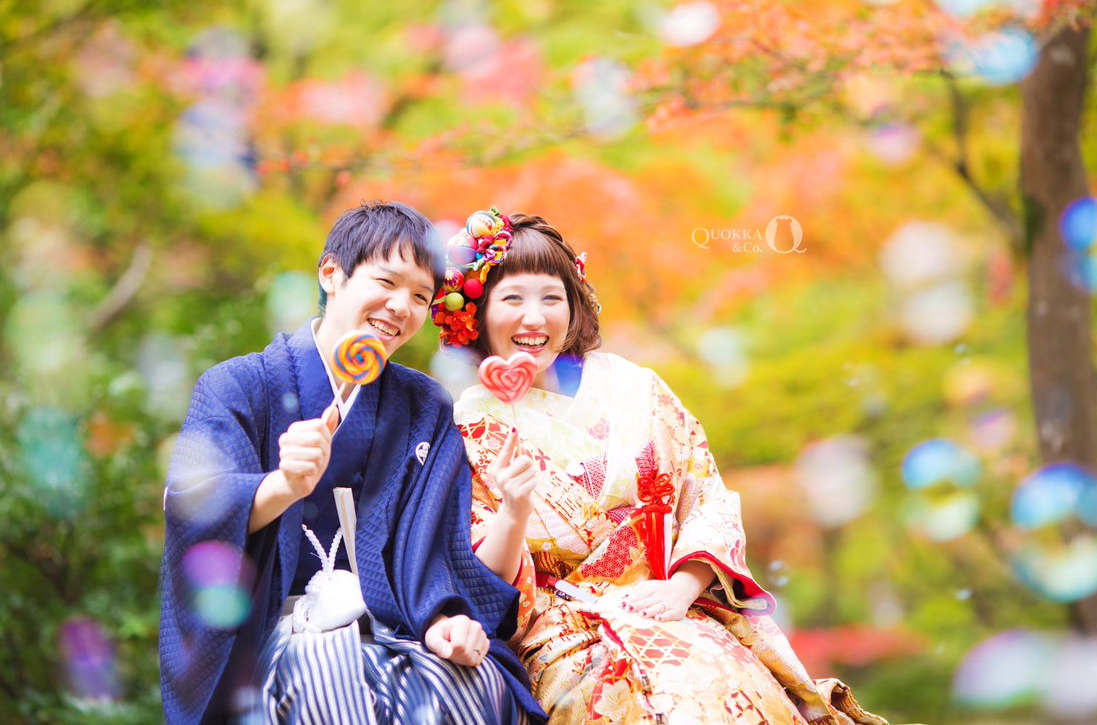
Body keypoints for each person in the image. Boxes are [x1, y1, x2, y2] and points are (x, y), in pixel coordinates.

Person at [431, 208, 888, 725]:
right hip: (566, 637)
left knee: (730, 691)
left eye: (551, 297)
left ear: (573, 305)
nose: (534, 318)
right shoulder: (468, 424)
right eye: (512, 298)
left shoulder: (636, 388)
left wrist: (682, 587)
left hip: (673, 606)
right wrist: (514, 510)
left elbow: (705, 495)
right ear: (477, 312)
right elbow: (478, 575)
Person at [160, 202, 545, 725]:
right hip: (277, 631)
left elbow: (438, 553)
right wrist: (281, 485)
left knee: (472, 686)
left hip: (396, 626)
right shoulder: (239, 386)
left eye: (419, 297)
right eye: (386, 282)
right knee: (330, 670)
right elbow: (192, 505)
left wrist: (443, 621)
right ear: (332, 273)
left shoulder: (424, 407)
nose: (400, 307)